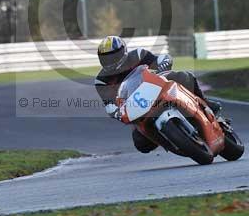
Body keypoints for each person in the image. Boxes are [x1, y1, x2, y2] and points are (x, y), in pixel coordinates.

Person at [94, 35, 223, 153]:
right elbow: (109, 103)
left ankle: (206, 102)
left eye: (113, 56)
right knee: (141, 144)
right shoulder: (101, 80)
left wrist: (163, 64)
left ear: (123, 52)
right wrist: (116, 112)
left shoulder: (138, 55)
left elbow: (158, 61)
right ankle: (170, 140)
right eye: (106, 58)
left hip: (156, 86)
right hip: (136, 106)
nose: (110, 60)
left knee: (184, 76)